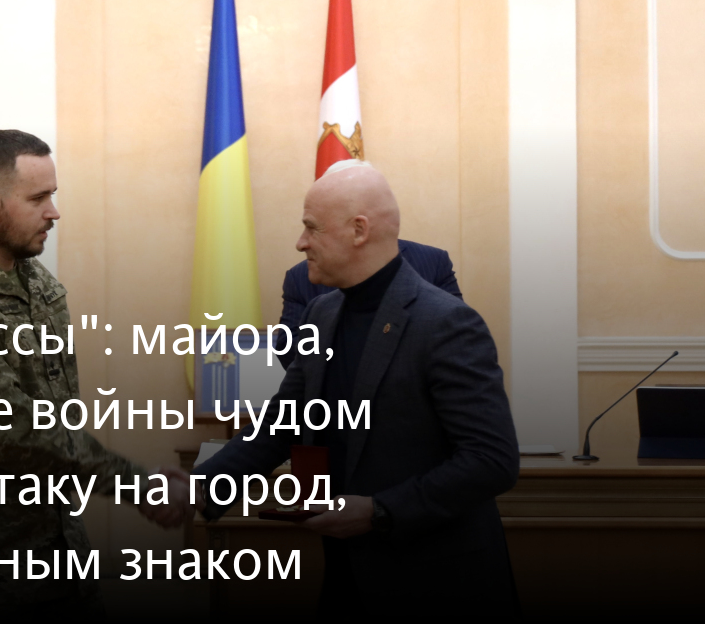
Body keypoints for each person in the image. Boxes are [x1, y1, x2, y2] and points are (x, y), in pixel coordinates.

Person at [191, 160, 519, 615]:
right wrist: (198, 487)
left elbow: (492, 461)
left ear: (359, 230)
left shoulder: (446, 323)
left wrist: (379, 510)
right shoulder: (321, 314)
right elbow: (280, 425)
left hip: (438, 582)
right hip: (348, 576)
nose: (301, 242)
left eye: (312, 228)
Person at [0, 130, 185, 616]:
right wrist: (135, 483)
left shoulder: (38, 283)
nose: (54, 212)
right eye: (38, 198)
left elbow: (60, 419)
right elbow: (9, 427)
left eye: (53, 195)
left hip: (58, 550)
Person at [276, 241, 461, 369]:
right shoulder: (300, 277)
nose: (301, 243)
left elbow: (455, 336)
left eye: (314, 228)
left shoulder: (433, 261)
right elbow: (289, 347)